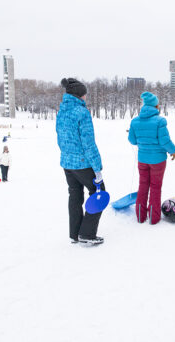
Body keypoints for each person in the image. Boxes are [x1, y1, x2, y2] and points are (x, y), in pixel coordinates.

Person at [56, 78, 105, 245]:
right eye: (85, 94)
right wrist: (97, 169)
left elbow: (60, 138)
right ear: (79, 96)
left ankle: (75, 233)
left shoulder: (62, 111)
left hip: (67, 163)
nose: (86, 97)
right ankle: (87, 233)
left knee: (75, 196)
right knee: (99, 193)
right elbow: (88, 143)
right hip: (82, 163)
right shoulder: (82, 113)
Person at [128, 92, 175, 225]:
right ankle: (154, 219)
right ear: (155, 105)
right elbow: (164, 141)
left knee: (143, 185)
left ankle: (140, 216)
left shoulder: (135, 121)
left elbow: (132, 140)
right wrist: (173, 151)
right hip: (158, 161)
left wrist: (138, 134)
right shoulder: (160, 121)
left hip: (142, 160)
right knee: (155, 187)